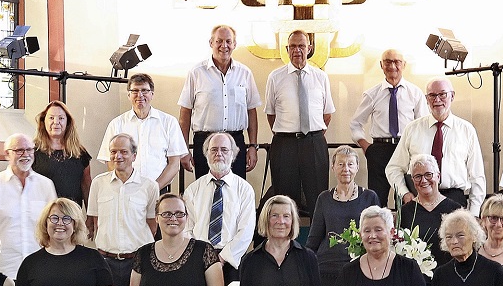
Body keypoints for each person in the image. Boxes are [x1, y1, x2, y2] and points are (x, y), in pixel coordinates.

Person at [385, 78, 485, 215]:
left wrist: (474, 213)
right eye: (432, 95)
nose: (437, 100)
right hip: (418, 200)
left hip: (454, 200)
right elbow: (393, 168)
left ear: (452, 96)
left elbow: (477, 177)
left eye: (443, 94)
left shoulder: (466, 130)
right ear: (426, 99)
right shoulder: (413, 129)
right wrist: (404, 194)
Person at [177, 24, 262, 179]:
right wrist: (183, 149)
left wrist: (253, 146)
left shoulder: (245, 73)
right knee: (205, 191)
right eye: (219, 41)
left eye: (229, 41)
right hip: (205, 143)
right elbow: (185, 112)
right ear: (211, 43)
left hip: (235, 143)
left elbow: (251, 111)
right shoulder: (197, 73)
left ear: (234, 44)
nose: (224, 46)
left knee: (235, 192)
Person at [0, 133, 57, 280]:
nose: (26, 155)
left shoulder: (46, 185)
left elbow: (54, 223)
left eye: (29, 150)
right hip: (4, 270)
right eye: (19, 150)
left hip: (40, 269)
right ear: (7, 154)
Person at [264, 30, 334, 214]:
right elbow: (271, 114)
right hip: (285, 144)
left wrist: (309, 135)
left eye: (301, 46)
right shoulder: (275, 77)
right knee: (285, 201)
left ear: (309, 48)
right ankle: (287, 242)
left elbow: (327, 114)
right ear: (287, 49)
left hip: (313, 142)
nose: (297, 50)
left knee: (317, 197)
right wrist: (290, 133)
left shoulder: (321, 77)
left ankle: (316, 241)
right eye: (293, 46)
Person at [87, 133, 160, 286]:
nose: (117, 156)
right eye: (113, 152)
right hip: (106, 262)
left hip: (137, 263)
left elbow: (152, 225)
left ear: (134, 156)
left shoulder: (149, 186)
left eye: (123, 152)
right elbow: (97, 222)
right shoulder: (98, 184)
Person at [349, 49, 427, 205]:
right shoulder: (372, 94)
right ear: (381, 65)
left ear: (403, 65)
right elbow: (356, 124)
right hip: (379, 151)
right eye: (388, 62)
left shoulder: (415, 93)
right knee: (377, 201)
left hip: (406, 149)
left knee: (406, 199)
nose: (393, 66)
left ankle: (405, 230)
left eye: (397, 62)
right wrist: (366, 147)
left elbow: (423, 126)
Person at [306, 146, 381, 286]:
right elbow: (314, 239)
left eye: (350, 164)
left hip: (359, 267)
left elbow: (378, 236)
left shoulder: (369, 197)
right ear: (333, 167)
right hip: (327, 266)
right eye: (340, 164)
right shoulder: (324, 198)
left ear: (357, 167)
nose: (345, 169)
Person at [182, 133, 256, 284]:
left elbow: (246, 231)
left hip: (232, 262)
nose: (219, 154)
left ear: (233, 154)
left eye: (224, 150)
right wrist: (201, 255)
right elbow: (186, 229)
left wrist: (222, 258)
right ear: (206, 153)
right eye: (214, 150)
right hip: (198, 262)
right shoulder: (193, 190)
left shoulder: (245, 190)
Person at [98, 74, 187, 190]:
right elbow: (110, 161)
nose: (140, 95)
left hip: (159, 191)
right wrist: (124, 184)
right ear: (129, 95)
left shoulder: (169, 122)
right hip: (127, 190)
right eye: (135, 91)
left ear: (152, 94)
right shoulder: (116, 124)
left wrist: (154, 188)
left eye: (145, 90)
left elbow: (174, 164)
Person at [399, 156, 462, 268]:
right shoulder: (405, 212)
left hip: (448, 275)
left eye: (428, 174)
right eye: (418, 176)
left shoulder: (455, 210)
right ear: (413, 180)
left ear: (438, 176)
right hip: (416, 276)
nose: (423, 180)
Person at [32, 100, 92, 204]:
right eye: (51, 118)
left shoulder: (79, 152)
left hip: (71, 215)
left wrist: (90, 217)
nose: (56, 122)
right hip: (43, 214)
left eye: (61, 118)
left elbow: (86, 187)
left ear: (68, 122)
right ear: (43, 121)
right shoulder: (33, 151)